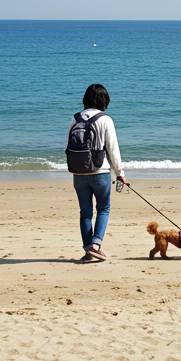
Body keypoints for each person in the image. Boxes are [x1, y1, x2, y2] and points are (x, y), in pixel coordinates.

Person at [67, 84, 126, 262]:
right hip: (100, 172)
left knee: (85, 213)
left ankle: (88, 250)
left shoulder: (75, 118)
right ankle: (96, 245)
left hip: (78, 173)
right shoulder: (105, 119)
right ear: (104, 100)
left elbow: (67, 147)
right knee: (103, 208)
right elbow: (113, 150)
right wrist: (120, 173)